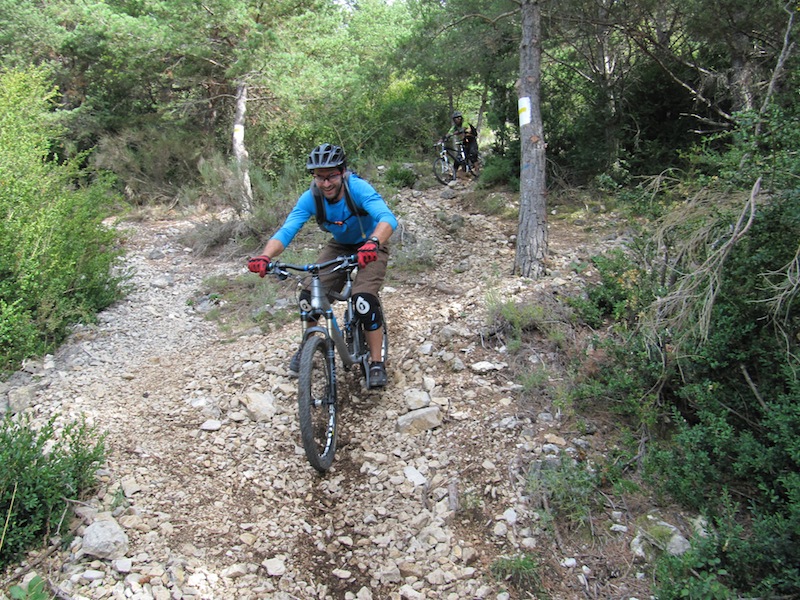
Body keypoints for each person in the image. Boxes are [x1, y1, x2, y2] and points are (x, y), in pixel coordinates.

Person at [247, 143, 397, 388]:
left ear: (343, 172)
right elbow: (287, 230)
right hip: (340, 246)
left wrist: (372, 242)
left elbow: (387, 218)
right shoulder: (312, 198)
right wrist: (265, 256)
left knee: (363, 301)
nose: (326, 184)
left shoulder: (357, 188)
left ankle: (376, 361)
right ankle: (308, 345)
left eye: (331, 176)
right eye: (319, 177)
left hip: (372, 244)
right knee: (308, 295)